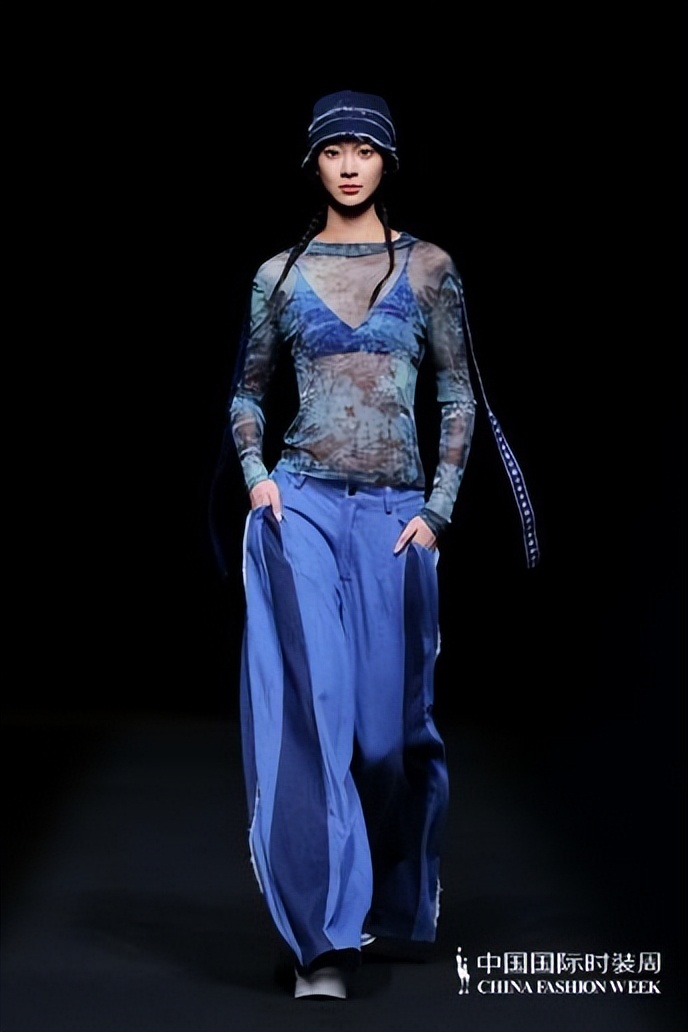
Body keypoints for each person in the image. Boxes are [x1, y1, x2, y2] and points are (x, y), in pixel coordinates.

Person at [211, 89, 539, 1001]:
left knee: (389, 740)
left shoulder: (431, 268)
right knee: (312, 716)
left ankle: (389, 900)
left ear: (387, 160)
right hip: (303, 508)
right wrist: (258, 478)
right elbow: (247, 392)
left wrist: (437, 512)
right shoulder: (279, 275)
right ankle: (321, 942)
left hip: (395, 519)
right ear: (313, 163)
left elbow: (459, 395)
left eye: (364, 149)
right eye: (333, 150)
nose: (349, 165)